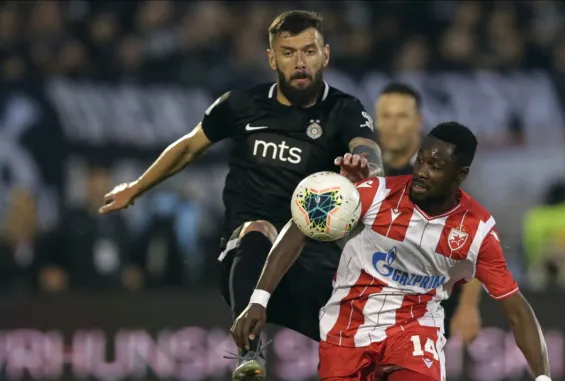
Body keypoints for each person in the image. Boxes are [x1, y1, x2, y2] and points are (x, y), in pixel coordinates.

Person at [98, 10, 383, 380]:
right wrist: (135, 188)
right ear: (271, 58)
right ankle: (250, 357)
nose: (300, 63)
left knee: (373, 354)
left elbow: (368, 151)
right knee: (256, 229)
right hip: (245, 261)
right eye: (288, 52)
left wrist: (367, 170)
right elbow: (188, 147)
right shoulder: (240, 105)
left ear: (325, 55)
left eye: (309, 52)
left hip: (311, 263)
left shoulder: (344, 110)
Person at [234, 122, 552, 381]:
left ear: (460, 175)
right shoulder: (375, 194)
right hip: (347, 328)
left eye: (436, 165)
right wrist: (259, 298)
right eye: (422, 158)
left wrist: (542, 378)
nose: (422, 170)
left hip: (415, 331)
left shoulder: (476, 231)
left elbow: (517, 309)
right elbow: (302, 224)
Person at [375, 82, 483, 346]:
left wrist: (468, 307)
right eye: (386, 116)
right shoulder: (369, 173)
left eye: (402, 116)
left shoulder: (441, 174)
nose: (393, 125)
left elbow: (473, 243)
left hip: (426, 309)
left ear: (419, 121)